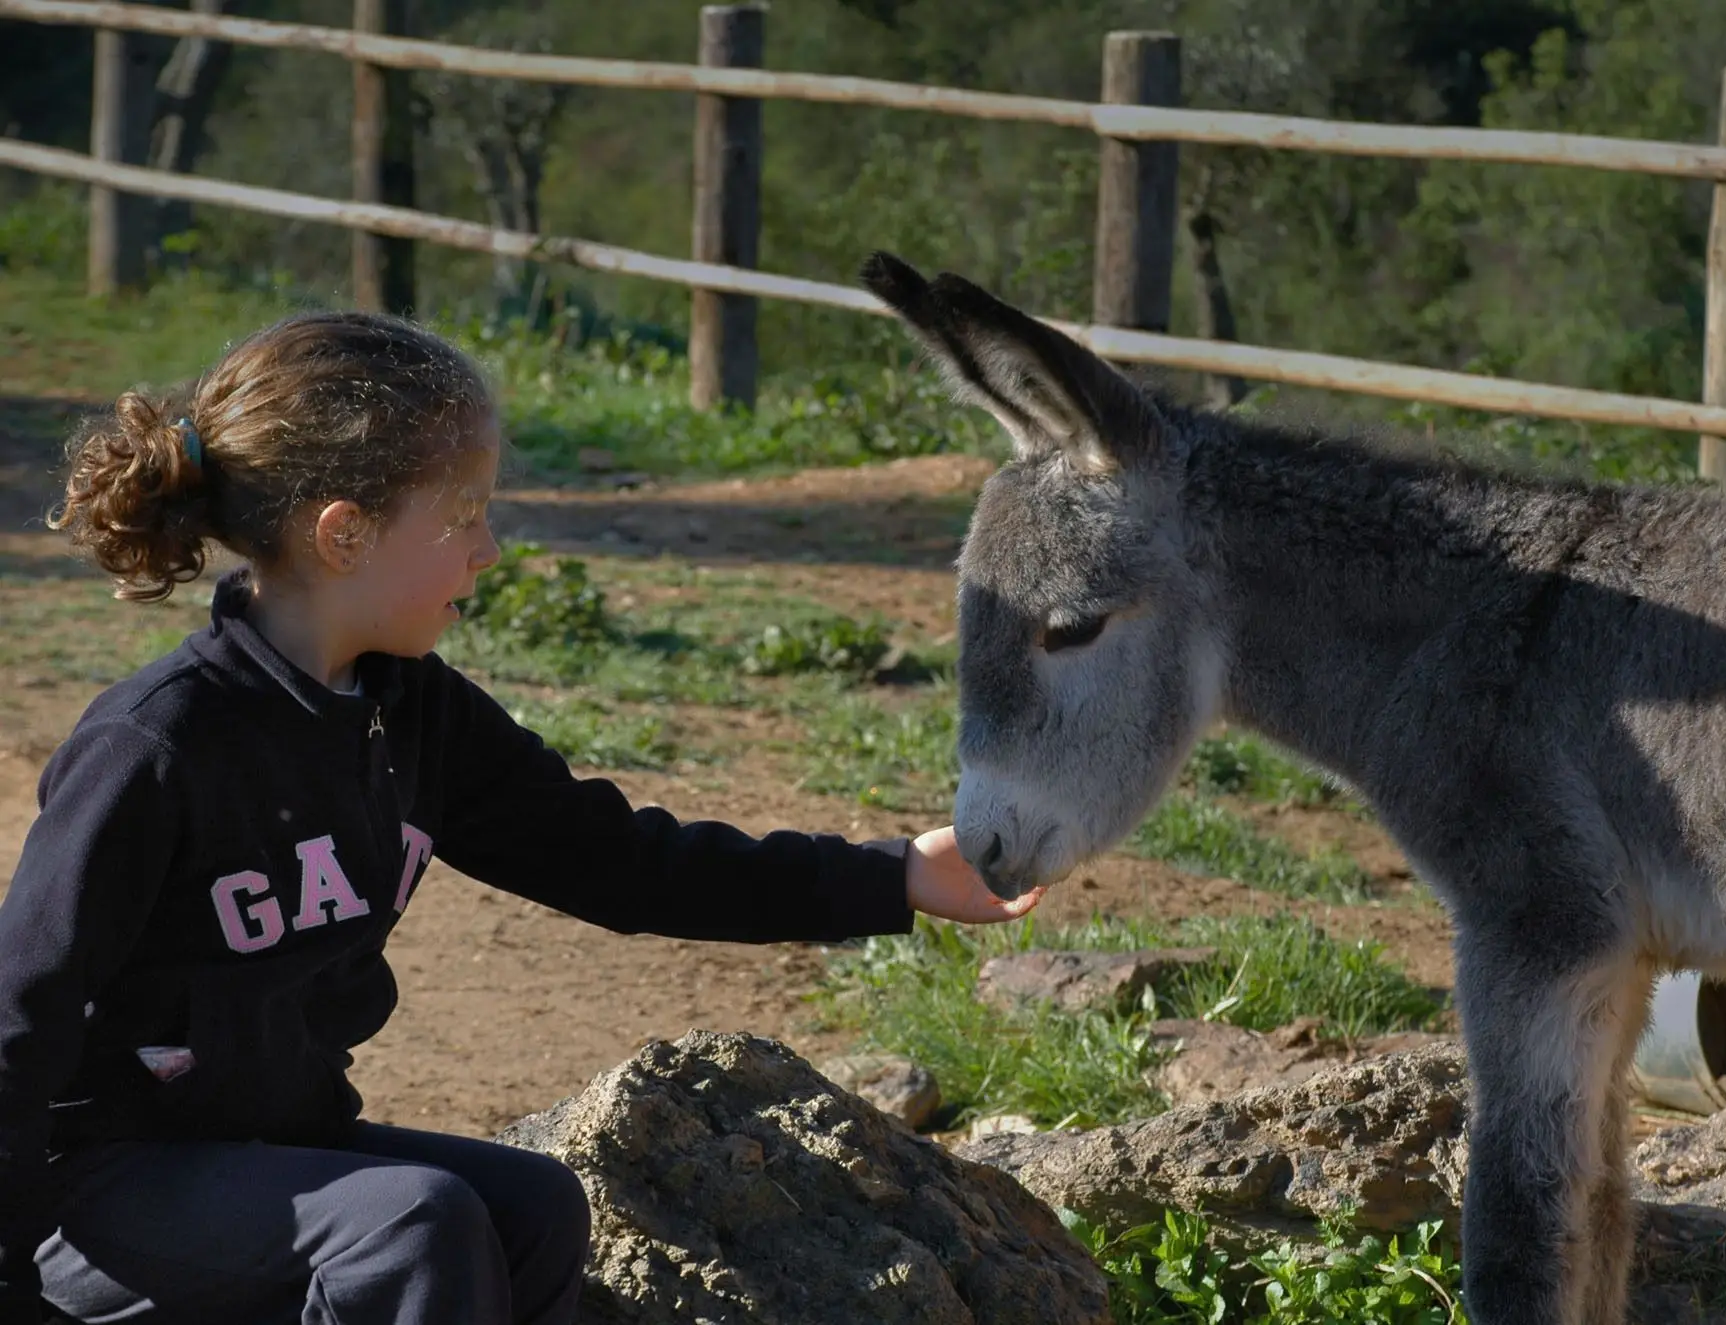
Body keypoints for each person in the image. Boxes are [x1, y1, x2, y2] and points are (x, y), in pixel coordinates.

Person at [0, 311, 1041, 1325]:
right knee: (409, 1224)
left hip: (271, 1157)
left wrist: (893, 874)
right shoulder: (156, 745)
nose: (489, 549)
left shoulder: (413, 713)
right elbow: (18, 1015)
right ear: (344, 532)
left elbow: (622, 862)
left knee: (531, 1207)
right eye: (464, 516)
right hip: (92, 1196)